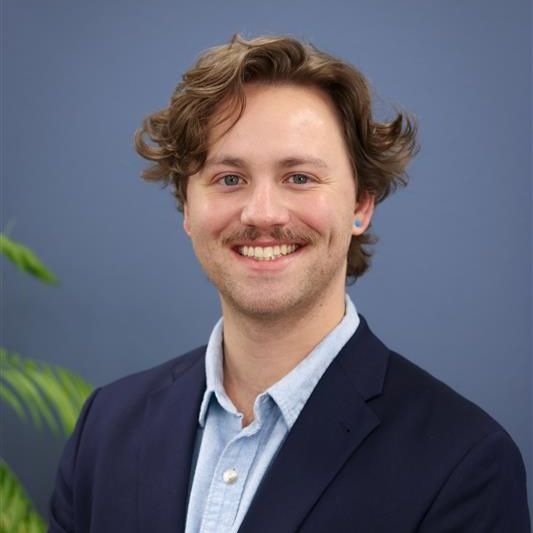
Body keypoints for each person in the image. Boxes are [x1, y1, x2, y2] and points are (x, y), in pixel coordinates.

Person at [48, 34, 530, 532]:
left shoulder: (465, 463)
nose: (262, 214)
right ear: (187, 207)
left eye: (299, 177)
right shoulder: (106, 428)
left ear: (361, 205)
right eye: (229, 178)